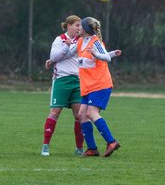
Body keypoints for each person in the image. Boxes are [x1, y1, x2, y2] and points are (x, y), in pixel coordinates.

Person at [77, 17, 122, 157]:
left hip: (100, 84)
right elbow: (70, 53)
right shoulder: (80, 42)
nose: (78, 27)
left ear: (86, 29)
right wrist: (52, 60)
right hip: (88, 85)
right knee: (81, 115)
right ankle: (92, 148)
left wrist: (99, 54)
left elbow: (105, 58)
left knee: (91, 113)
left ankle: (111, 142)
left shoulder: (95, 41)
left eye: (80, 26)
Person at [40, 15, 84, 156]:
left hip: (77, 81)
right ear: (69, 25)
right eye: (77, 25)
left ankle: (79, 148)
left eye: (80, 26)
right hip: (61, 80)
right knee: (54, 113)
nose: (79, 28)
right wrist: (66, 46)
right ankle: (45, 146)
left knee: (79, 116)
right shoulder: (59, 40)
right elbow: (54, 57)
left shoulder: (82, 40)